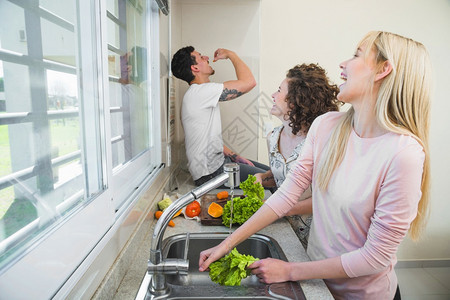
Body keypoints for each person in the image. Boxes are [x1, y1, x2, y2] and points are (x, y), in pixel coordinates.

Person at [199, 31, 432, 300]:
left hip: (362, 295)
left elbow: (375, 257)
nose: (343, 64)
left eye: (357, 55)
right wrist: (226, 245)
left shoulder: (404, 154)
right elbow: (287, 194)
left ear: (383, 70)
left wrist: (291, 271)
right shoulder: (327, 126)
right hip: (316, 285)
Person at [254, 63, 341, 249]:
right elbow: (285, 175)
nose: (273, 95)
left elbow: (325, 198)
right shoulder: (273, 137)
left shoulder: (320, 141)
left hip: (318, 236)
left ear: (294, 102)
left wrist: (277, 207)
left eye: (279, 91)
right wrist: (262, 177)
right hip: (285, 229)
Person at [171, 46, 269, 186]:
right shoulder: (200, 92)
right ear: (195, 68)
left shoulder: (198, 94)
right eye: (201, 57)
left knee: (272, 174)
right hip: (211, 173)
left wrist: (234, 156)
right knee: (274, 180)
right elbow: (249, 82)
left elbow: (207, 137)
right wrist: (231, 54)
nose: (206, 58)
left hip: (218, 166)